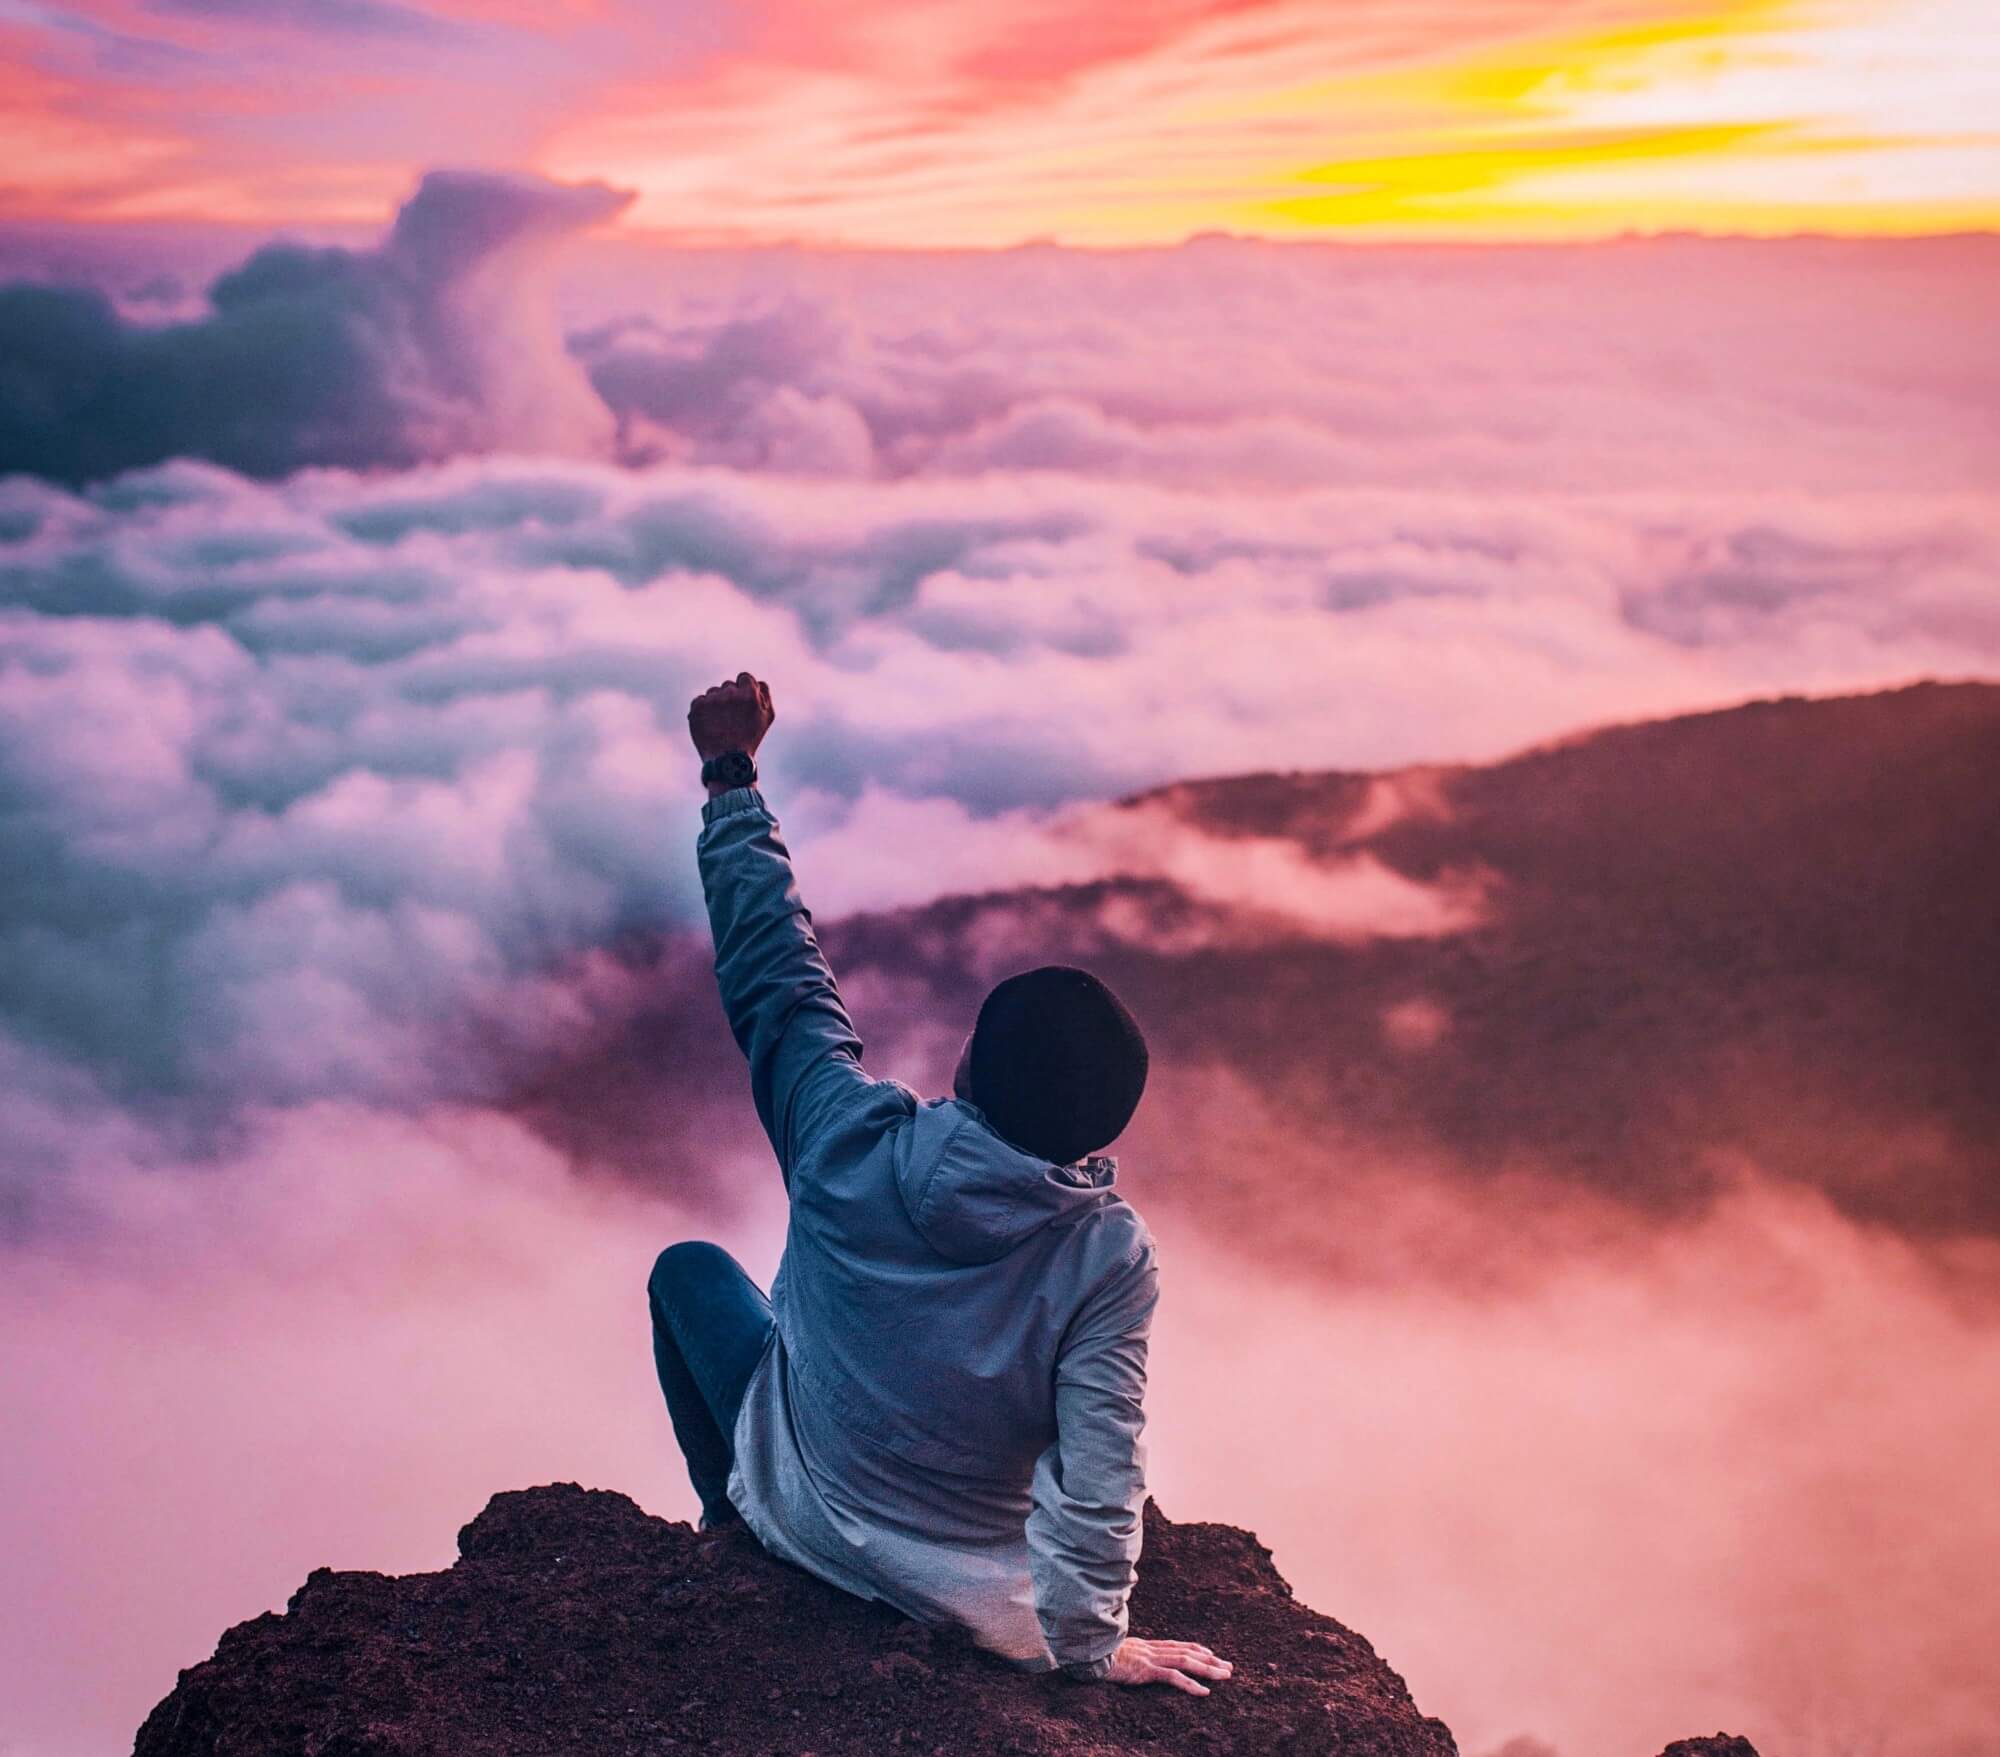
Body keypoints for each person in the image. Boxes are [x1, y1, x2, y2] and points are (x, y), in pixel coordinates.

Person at [646, 671, 1231, 1696]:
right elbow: (1103, 1472)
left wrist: (730, 777)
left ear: (966, 1069)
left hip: (802, 1512)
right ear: (1102, 1128)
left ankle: (728, 1519)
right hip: (966, 1593)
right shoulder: (1106, 1254)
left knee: (688, 1271)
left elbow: (775, 975)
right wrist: (1090, 1645)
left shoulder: (841, 1134)